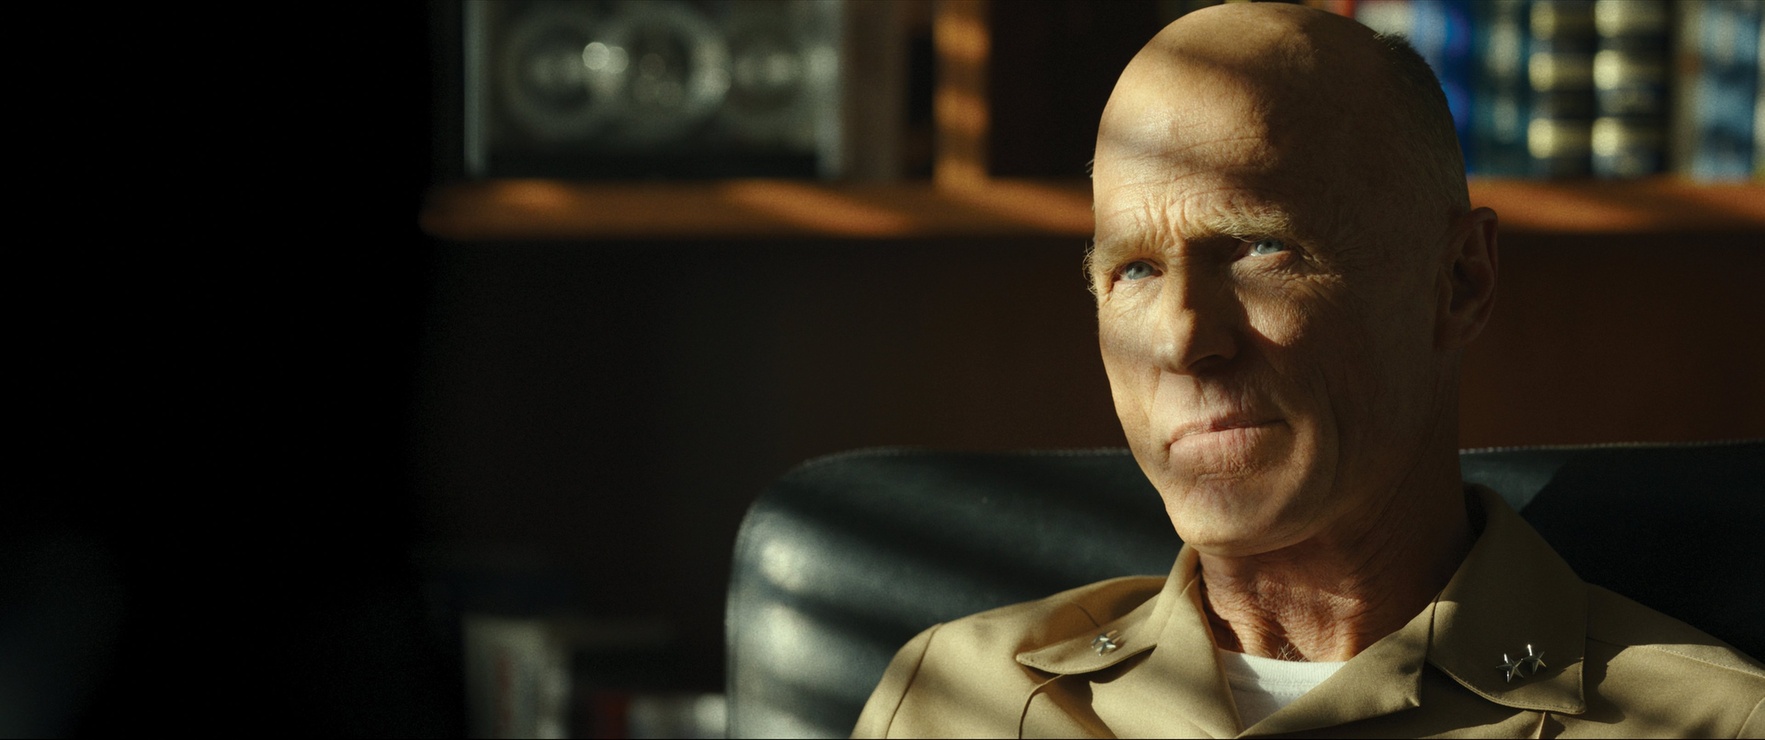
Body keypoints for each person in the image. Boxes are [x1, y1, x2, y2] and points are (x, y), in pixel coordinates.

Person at [850, 3, 1765, 737]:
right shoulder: (955, 702)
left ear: (1459, 282)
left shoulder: (1702, 724)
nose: (1181, 340)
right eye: (1132, 270)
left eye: (1260, 247)